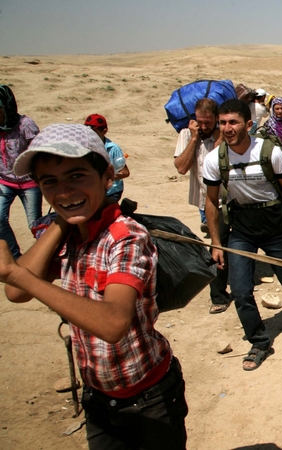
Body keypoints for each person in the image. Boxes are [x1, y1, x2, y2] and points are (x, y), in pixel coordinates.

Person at [2, 123, 188, 448]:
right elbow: (16, 294)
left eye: (76, 176)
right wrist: (62, 222)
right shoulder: (68, 234)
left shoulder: (126, 237)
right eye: (50, 182)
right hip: (99, 397)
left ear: (107, 178)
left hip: (150, 399)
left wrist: (17, 273)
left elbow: (114, 322)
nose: (63, 191)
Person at [203, 99, 282, 371]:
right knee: (241, 289)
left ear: (248, 124)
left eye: (233, 122)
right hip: (241, 228)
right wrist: (216, 243)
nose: (227, 128)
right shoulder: (215, 159)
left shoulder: (269, 152)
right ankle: (258, 341)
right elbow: (211, 201)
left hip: (274, 225)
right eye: (222, 123)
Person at [173, 98, 231, 314]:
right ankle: (218, 293)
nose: (204, 126)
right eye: (200, 122)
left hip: (227, 200)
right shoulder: (187, 135)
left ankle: (224, 287)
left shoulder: (224, 133)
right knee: (218, 244)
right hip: (204, 200)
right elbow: (181, 167)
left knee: (223, 242)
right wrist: (195, 138)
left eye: (208, 122)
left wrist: (219, 139)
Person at [0, 85, 41, 259]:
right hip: (4, 181)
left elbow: (39, 151)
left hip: (29, 183)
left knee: (36, 225)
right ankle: (16, 257)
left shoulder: (26, 125)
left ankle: (43, 258)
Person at [84, 114, 129, 202]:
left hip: (111, 192)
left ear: (104, 131)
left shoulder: (113, 148)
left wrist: (105, 178)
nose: (89, 135)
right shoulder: (83, 147)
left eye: (94, 132)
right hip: (92, 191)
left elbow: (125, 172)